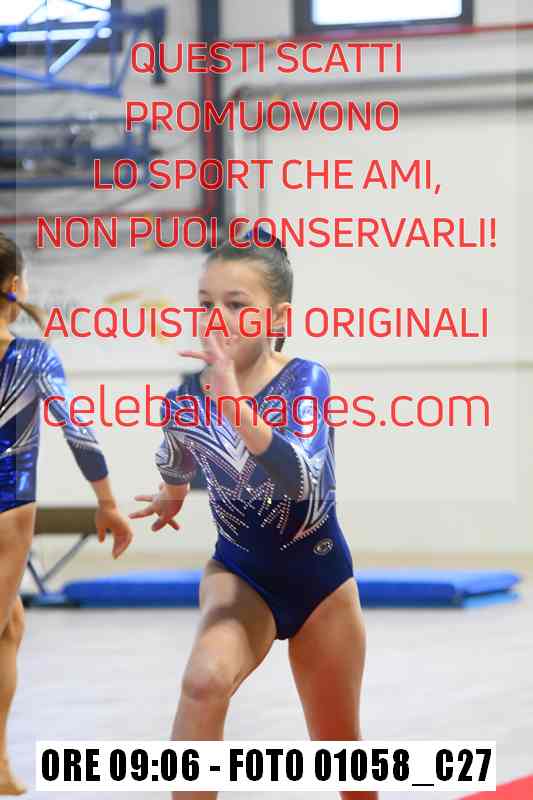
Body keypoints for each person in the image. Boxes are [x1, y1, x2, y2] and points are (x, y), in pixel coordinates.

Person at [132, 228, 377, 800]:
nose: (215, 318)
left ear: (277, 317)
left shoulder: (305, 380)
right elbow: (176, 453)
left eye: (236, 304)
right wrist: (170, 494)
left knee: (341, 748)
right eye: (205, 304)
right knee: (203, 682)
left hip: (319, 581)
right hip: (241, 575)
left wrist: (234, 405)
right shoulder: (186, 398)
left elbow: (301, 480)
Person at [0, 232, 133, 795]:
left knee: (11, 624)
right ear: (16, 285)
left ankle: (0, 763)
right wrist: (108, 502)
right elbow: (77, 432)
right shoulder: (31, 355)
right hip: (7, 508)